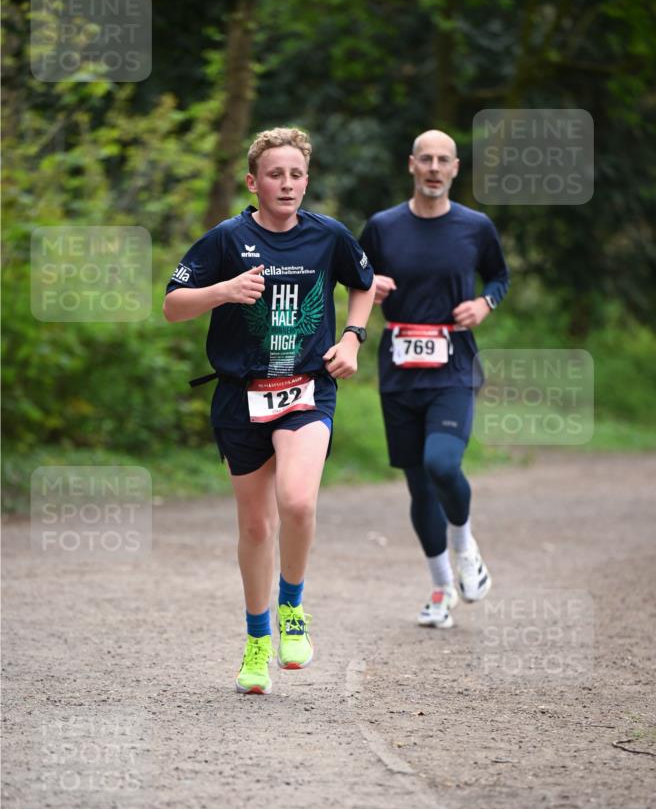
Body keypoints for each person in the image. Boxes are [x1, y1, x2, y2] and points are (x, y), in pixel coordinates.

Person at [163, 127, 375, 693]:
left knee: (298, 501)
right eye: (275, 175)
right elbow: (172, 306)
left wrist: (352, 337)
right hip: (241, 394)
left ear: (307, 180)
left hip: (307, 387)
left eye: (297, 174)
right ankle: (257, 642)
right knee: (256, 525)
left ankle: (293, 609)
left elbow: (365, 282)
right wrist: (222, 292)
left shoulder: (327, 235)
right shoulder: (225, 240)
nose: (287, 184)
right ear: (253, 182)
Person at [359, 129, 509, 629]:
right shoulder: (382, 227)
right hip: (399, 370)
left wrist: (484, 303)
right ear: (411, 165)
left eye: (443, 160)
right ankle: (441, 589)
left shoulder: (476, 226)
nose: (434, 168)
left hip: (453, 365)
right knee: (419, 489)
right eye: (426, 159)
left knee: (442, 463)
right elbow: (354, 277)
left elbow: (499, 278)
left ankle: (466, 546)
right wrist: (369, 285)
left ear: (455, 169)